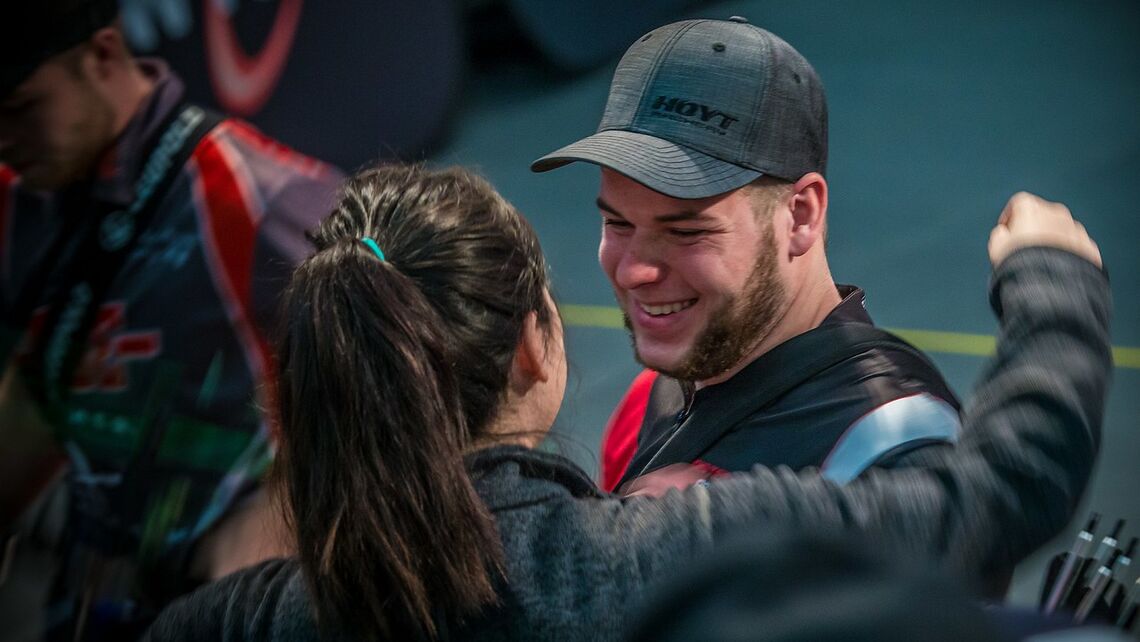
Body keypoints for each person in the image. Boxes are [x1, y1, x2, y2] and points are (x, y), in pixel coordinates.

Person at [142, 162, 1109, 641]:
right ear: (533, 347)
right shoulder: (665, 552)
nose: (638, 267)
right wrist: (1053, 279)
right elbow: (1008, 485)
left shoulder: (261, 613)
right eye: (617, 227)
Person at [0, 0, 342, 636]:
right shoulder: (20, 202)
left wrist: (293, 515)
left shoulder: (248, 193)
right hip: (92, 606)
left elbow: (420, 372)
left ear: (103, 54)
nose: (3, 139)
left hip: (240, 609)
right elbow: (34, 403)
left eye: (20, 109)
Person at [530, 17, 963, 492]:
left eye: (686, 231)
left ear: (800, 215)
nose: (635, 270)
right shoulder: (654, 396)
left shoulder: (897, 454)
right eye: (618, 223)